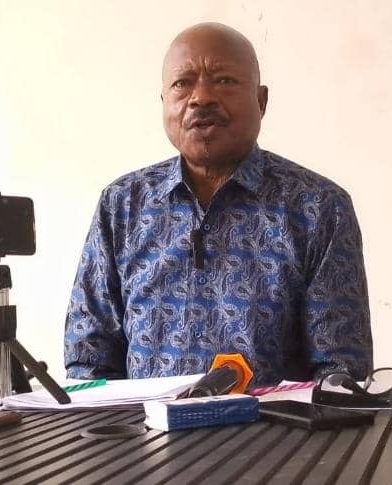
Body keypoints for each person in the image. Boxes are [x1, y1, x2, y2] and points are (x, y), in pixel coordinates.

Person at [64, 22, 373, 386]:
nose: (201, 98)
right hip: (142, 424)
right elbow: (89, 360)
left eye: (224, 80)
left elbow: (339, 370)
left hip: (275, 424)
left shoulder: (319, 207)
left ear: (261, 101)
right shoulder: (122, 205)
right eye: (182, 83)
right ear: (164, 103)